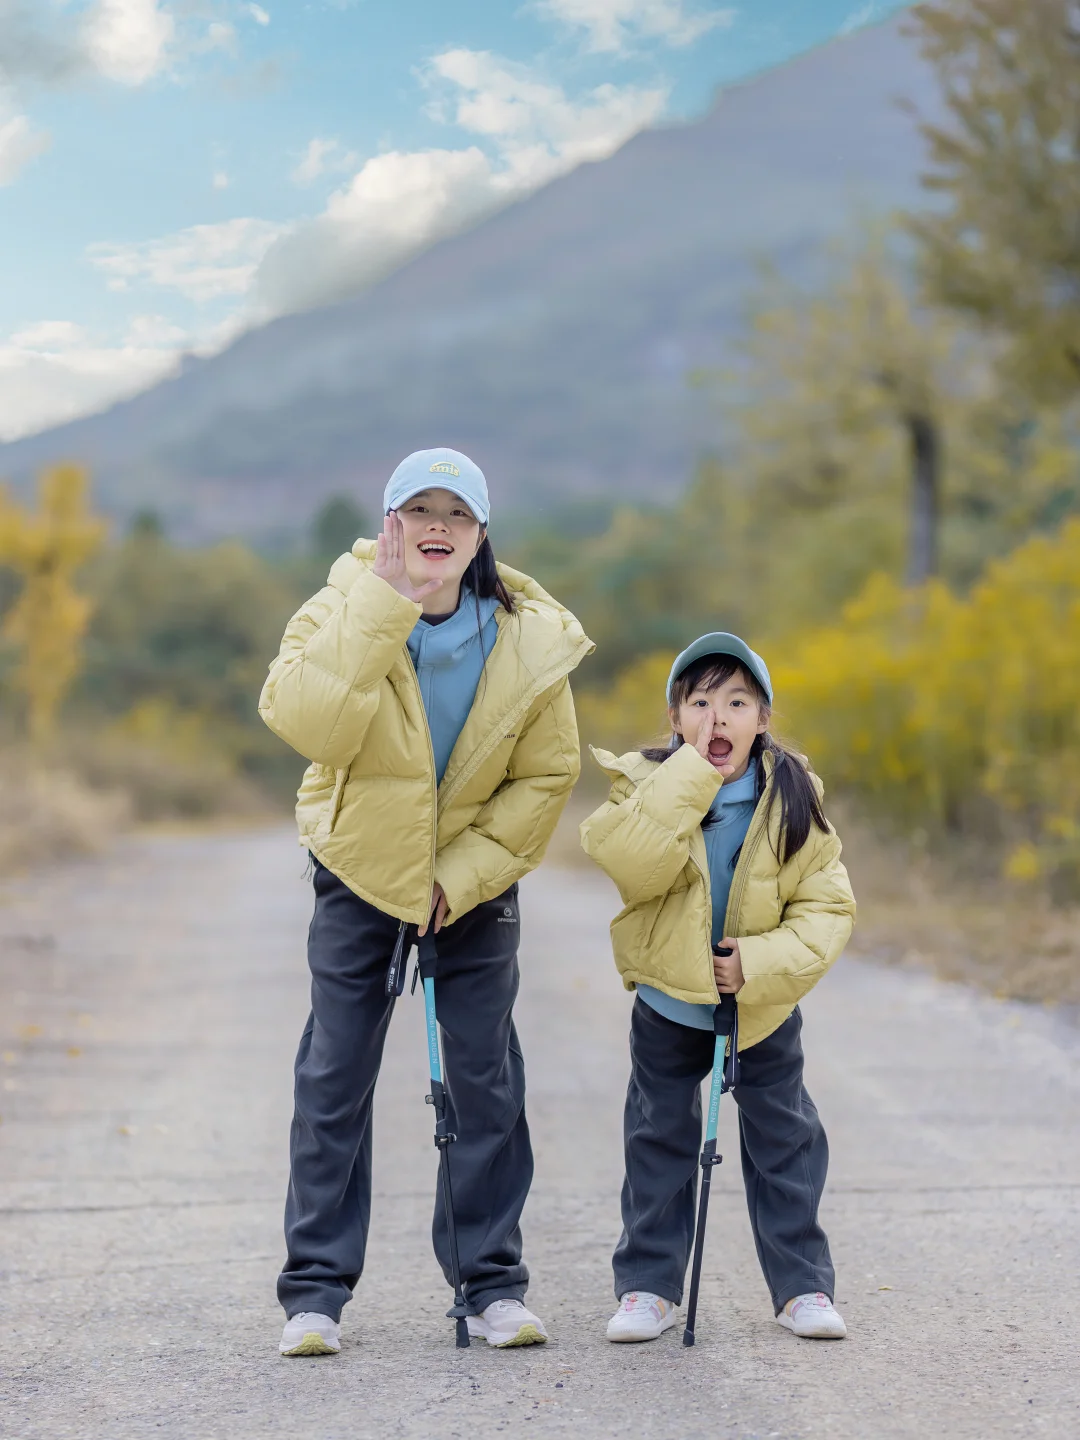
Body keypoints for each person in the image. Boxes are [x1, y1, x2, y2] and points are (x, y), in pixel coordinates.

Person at [259, 447, 592, 1356]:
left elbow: (546, 775)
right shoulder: (339, 609)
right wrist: (384, 602)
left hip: (472, 888)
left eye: (458, 511)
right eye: (420, 509)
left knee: (484, 1080)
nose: (438, 525)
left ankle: (492, 1286)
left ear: (482, 534)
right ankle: (315, 1297)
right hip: (360, 872)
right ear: (390, 523)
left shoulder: (529, 635)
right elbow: (310, 725)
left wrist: (463, 877)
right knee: (334, 1076)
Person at [579, 632, 856, 1343]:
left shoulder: (792, 797)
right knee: (657, 1140)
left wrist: (755, 965)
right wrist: (689, 777)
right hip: (669, 1003)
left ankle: (803, 1287)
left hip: (760, 1009)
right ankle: (647, 1287)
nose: (717, 718)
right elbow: (632, 866)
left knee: (785, 1141)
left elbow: (826, 909)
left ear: (763, 718)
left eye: (737, 702)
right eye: (699, 702)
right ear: (674, 718)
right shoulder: (645, 786)